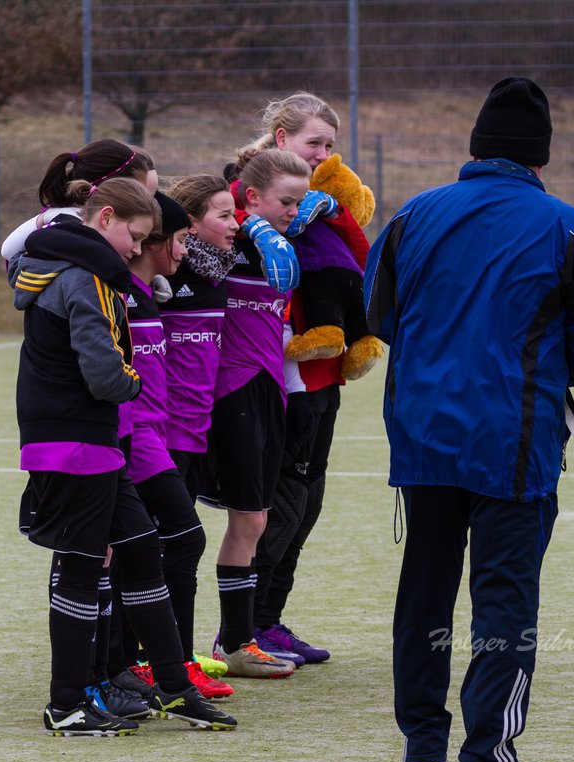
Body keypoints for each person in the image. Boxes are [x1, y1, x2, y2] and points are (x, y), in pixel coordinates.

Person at [363, 77, 574, 762]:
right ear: (540, 156)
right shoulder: (565, 223)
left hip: (421, 435)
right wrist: (541, 368)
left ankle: (422, 740)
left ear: (475, 147)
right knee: (504, 596)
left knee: (425, 584)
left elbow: (379, 313)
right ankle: (488, 760)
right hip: (511, 439)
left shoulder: (414, 214)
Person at [10, 176, 236, 735]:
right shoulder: (84, 278)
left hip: (94, 442)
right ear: (104, 217)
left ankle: (174, 688)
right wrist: (137, 382)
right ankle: (66, 705)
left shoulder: (79, 270)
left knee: (143, 551)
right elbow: (106, 375)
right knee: (85, 568)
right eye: (134, 236)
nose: (138, 249)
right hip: (75, 441)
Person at [234, 92, 382, 667]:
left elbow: (358, 251)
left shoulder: (320, 201)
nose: (323, 153)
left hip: (326, 375)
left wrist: (333, 209)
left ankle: (270, 620)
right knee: (280, 505)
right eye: (312, 142)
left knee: (309, 502)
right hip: (281, 374)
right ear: (279, 139)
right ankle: (242, 629)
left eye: (329, 145)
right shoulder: (254, 197)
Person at [110, 189, 234, 701]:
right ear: (148, 242)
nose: (183, 252)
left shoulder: (147, 293)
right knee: (178, 541)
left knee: (159, 546)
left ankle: (157, 661)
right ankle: (157, 661)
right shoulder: (120, 294)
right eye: (178, 240)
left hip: (160, 435)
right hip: (136, 440)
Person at [199, 148, 313, 679]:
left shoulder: (274, 237)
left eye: (299, 201)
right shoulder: (225, 245)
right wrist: (249, 227)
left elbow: (329, 208)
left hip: (271, 391)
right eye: (285, 201)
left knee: (256, 519)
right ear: (250, 197)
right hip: (233, 391)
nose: (294, 210)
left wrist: (309, 208)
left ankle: (237, 642)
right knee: (245, 517)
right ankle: (229, 643)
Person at [0, 139, 157, 263]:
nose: (144, 198)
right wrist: (45, 217)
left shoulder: (112, 226)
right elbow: (8, 252)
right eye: (139, 189)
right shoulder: (73, 227)